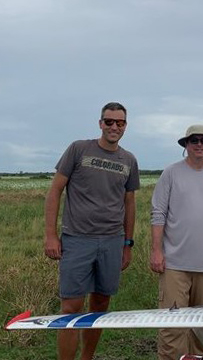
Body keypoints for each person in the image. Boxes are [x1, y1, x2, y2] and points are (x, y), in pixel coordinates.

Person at [44, 102, 140, 360]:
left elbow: (129, 203)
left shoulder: (128, 160)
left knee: (100, 305)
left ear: (125, 126)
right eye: (109, 121)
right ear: (100, 123)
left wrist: (127, 243)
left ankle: (87, 356)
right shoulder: (78, 149)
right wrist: (51, 235)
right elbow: (55, 191)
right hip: (77, 239)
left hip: (112, 241)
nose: (114, 127)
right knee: (71, 308)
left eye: (119, 123)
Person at [150, 124, 203, 360]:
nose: (199, 144)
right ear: (185, 145)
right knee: (172, 327)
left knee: (201, 328)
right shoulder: (171, 173)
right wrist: (156, 252)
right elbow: (158, 214)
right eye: (194, 140)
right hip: (175, 264)